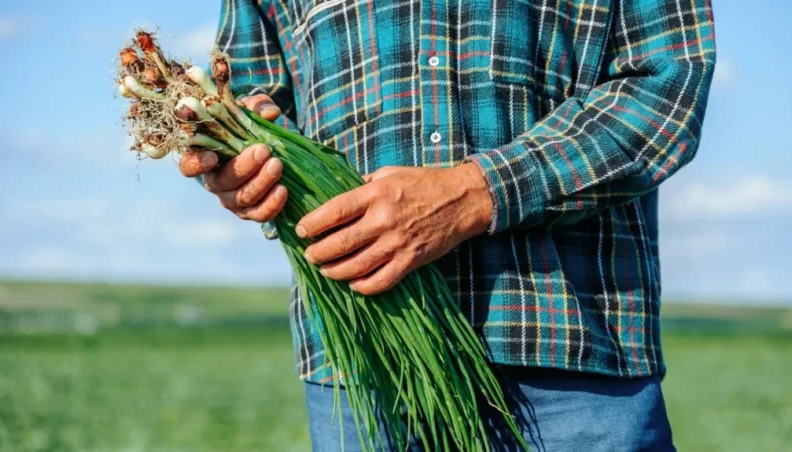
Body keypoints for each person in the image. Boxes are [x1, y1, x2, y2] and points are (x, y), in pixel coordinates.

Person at [180, 0, 716, 450]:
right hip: (363, 364)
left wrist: (477, 193)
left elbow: (668, 85)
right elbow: (251, 91)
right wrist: (236, 154)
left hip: (571, 361)